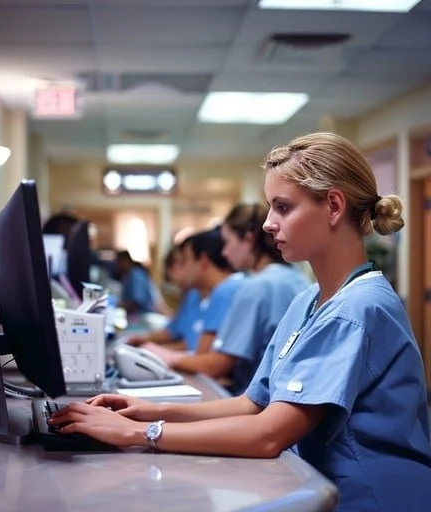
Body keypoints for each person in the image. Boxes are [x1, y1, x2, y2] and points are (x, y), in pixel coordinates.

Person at [49, 132, 431, 511]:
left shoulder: (357, 308)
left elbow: (268, 434)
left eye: (282, 207)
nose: (267, 223)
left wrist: (137, 433)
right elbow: (252, 403)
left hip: (370, 498)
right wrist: (146, 408)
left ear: (333, 206)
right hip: (321, 481)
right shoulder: (309, 301)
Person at [165, 203, 310, 394]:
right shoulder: (297, 278)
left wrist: (162, 357)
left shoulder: (256, 287)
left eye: (227, 242)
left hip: (258, 399)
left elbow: (216, 365)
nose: (224, 253)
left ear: (248, 239)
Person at [128, 229, 243, 356]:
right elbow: (186, 340)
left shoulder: (227, 290)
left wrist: (153, 352)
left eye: (185, 261)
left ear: (203, 261)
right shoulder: (195, 296)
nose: (182, 269)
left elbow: (205, 358)